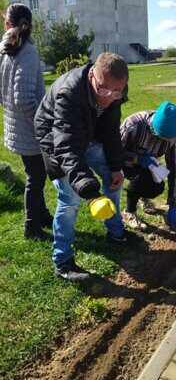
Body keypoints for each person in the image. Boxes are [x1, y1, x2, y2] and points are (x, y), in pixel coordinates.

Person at [34, 52, 130, 283]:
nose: (110, 97)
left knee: (114, 180)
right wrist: (90, 193)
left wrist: (116, 167)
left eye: (117, 91)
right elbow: (67, 147)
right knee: (70, 199)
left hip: (89, 133)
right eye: (104, 89)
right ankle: (62, 261)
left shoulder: (116, 87)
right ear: (91, 78)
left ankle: (116, 233)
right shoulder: (70, 94)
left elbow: (110, 129)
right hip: (55, 139)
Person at [0, 3, 52, 241]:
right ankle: (31, 227)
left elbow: (5, 94)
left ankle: (42, 216)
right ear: (29, 26)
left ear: (8, 24)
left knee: (35, 174)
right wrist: (40, 123)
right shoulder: (27, 51)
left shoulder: (6, 50)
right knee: (36, 177)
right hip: (28, 128)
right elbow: (24, 99)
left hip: (15, 125)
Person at [120, 101, 176, 232]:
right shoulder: (134, 125)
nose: (166, 142)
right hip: (125, 162)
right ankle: (129, 212)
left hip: (150, 166)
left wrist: (174, 205)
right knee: (140, 177)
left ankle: (144, 197)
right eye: (161, 138)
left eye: (169, 139)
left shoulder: (173, 136)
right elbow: (113, 153)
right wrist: (137, 159)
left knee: (158, 187)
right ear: (154, 129)